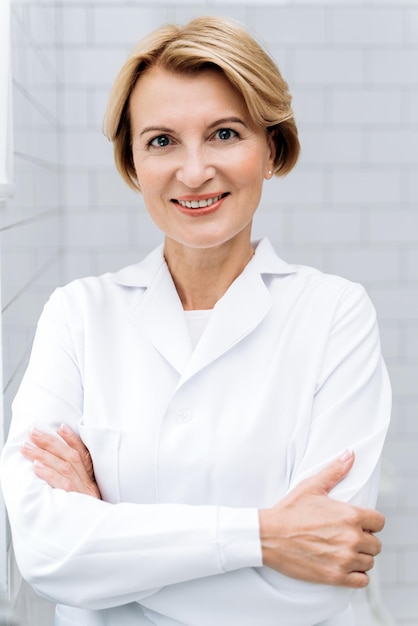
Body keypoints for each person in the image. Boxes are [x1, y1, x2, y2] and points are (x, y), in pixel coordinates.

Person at [0, 15, 391, 626]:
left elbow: (321, 582)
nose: (193, 171)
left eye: (225, 134)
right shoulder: (77, 316)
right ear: (132, 164)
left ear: (271, 149)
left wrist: (107, 550)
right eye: (161, 141)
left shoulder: (335, 315)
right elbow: (46, 554)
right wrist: (265, 538)